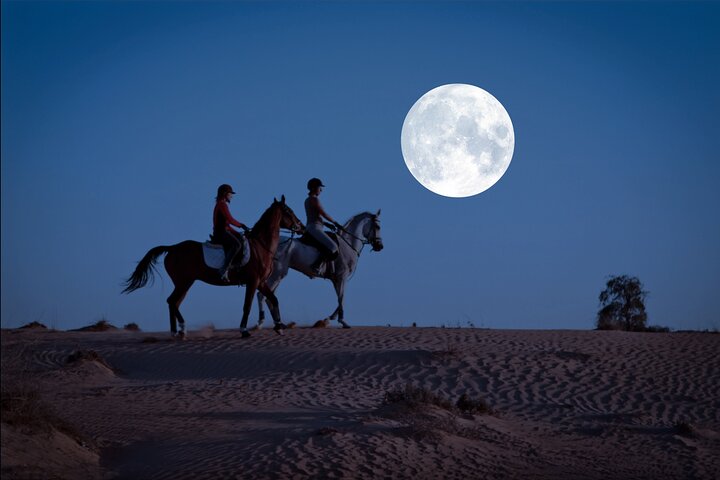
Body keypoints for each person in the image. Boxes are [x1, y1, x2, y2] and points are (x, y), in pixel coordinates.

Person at [304, 178, 341, 275]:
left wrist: (326, 224)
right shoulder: (315, 199)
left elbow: (315, 216)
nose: (321, 190)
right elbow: (323, 214)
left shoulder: (307, 200)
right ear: (313, 188)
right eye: (319, 187)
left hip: (312, 226)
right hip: (315, 228)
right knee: (333, 247)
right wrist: (335, 223)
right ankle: (316, 266)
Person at [213, 184, 249, 282]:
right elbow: (230, 220)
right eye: (230, 194)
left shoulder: (221, 204)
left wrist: (238, 233)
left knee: (240, 239)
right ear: (225, 194)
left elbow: (228, 225)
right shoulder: (222, 204)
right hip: (221, 233)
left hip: (223, 231)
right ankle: (224, 269)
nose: (231, 196)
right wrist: (241, 225)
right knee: (237, 245)